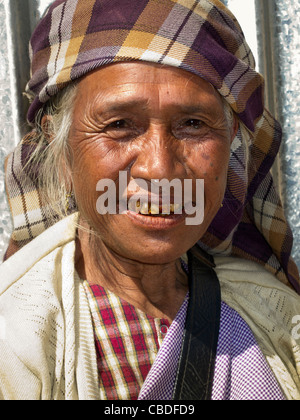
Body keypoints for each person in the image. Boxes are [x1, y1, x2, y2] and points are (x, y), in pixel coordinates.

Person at [0, 0, 299, 401]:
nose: (160, 170)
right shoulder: (15, 338)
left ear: (232, 146)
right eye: (120, 125)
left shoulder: (277, 317)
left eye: (193, 124)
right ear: (63, 150)